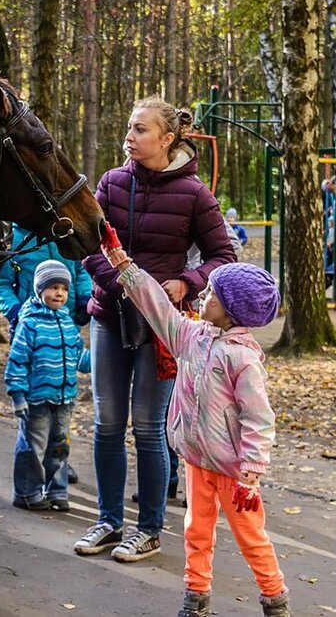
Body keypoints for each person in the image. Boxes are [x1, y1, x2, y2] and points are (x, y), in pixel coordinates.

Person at [76, 96, 236, 563]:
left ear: (167, 139)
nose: (130, 136)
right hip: (108, 316)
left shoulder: (194, 194)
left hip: (160, 328)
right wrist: (116, 284)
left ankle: (147, 529)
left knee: (148, 428)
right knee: (107, 423)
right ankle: (108, 520)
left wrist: (185, 283)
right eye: (129, 127)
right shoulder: (110, 182)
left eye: (141, 130)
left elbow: (222, 256)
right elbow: (87, 241)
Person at [101, 240, 290, 617]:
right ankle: (196, 597)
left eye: (212, 294)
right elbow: (158, 309)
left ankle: (275, 600)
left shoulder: (243, 359)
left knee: (251, 538)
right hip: (196, 460)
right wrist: (126, 267)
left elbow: (259, 419)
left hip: (235, 473)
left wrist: (251, 474)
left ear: (232, 310)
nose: (202, 294)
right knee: (196, 532)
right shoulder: (192, 337)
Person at [0, 223, 92, 486]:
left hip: (65, 325)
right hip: (30, 327)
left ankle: (56, 465)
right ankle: (30, 475)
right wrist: (16, 312)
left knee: (61, 399)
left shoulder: (65, 233)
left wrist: (83, 300)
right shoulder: (16, 239)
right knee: (36, 409)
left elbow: (81, 270)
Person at [5, 260, 85, 512]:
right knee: (33, 448)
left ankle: (57, 491)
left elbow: (78, 356)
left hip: (64, 399)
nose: (59, 293)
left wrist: (100, 360)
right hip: (37, 399)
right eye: (52, 288)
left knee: (59, 447)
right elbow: (17, 360)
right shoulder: (29, 323)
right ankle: (27, 492)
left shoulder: (68, 324)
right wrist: (18, 395)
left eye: (63, 288)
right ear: (39, 290)